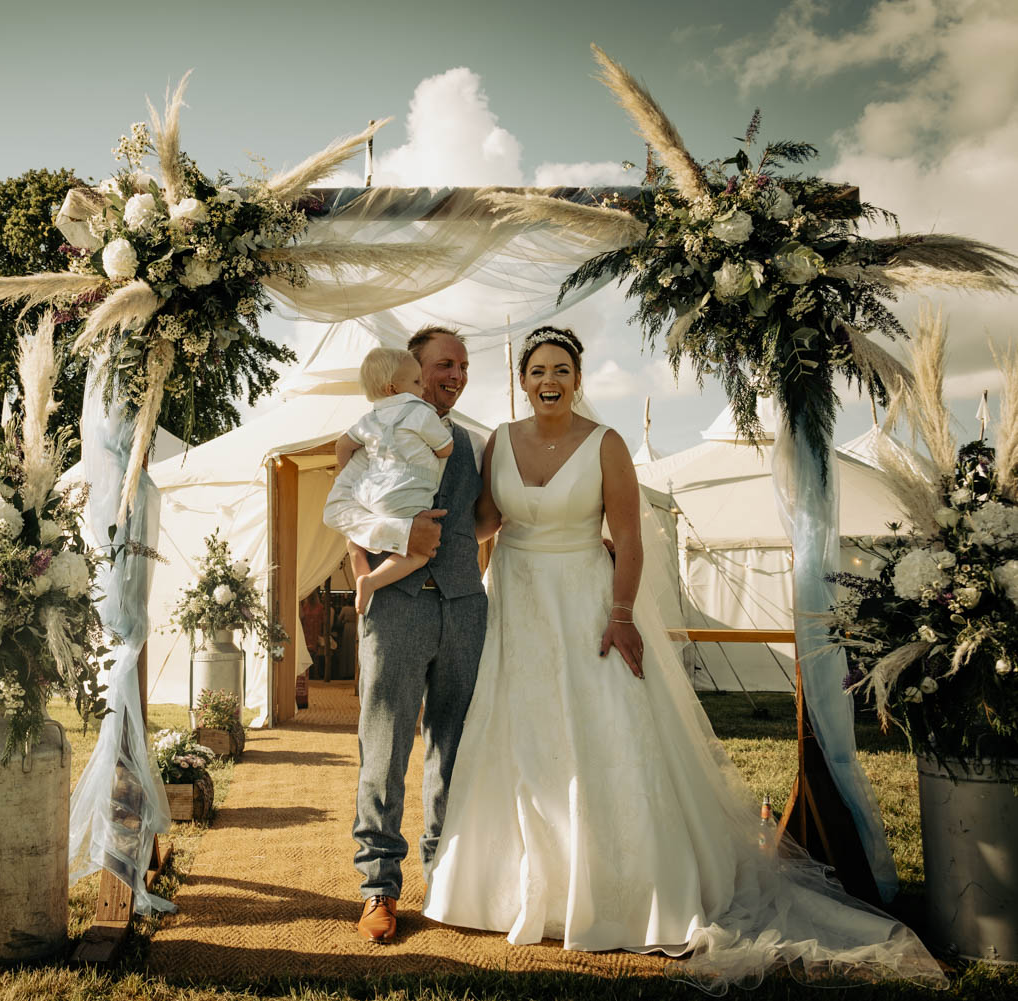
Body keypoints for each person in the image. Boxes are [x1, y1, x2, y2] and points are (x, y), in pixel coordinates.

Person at [421, 326, 943, 991]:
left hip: (586, 603)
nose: (548, 379)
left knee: (604, 734)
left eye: (560, 368)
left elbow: (630, 538)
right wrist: (418, 530)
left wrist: (621, 612)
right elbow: (486, 519)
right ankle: (502, 886)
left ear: (576, 378)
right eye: (537, 370)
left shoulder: (605, 444)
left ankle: (627, 889)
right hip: (517, 605)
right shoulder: (497, 439)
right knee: (515, 738)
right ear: (523, 380)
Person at [322, 326, 490, 944]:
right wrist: (396, 543)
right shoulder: (371, 431)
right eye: (444, 364)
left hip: (467, 608)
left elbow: (488, 517)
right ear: (411, 371)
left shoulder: (472, 444)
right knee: (385, 751)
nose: (455, 375)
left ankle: (444, 875)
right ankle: (378, 888)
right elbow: (351, 515)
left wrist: (582, 529)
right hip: (396, 608)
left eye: (463, 366)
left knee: (457, 748)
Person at [333, 347, 455, 614]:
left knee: (357, 533)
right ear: (392, 388)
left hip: (370, 490)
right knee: (418, 554)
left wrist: (355, 477)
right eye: (415, 382)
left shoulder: (369, 419)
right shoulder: (421, 413)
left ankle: (357, 556)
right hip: (403, 492)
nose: (422, 387)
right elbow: (446, 448)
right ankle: (371, 582)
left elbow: (342, 446)